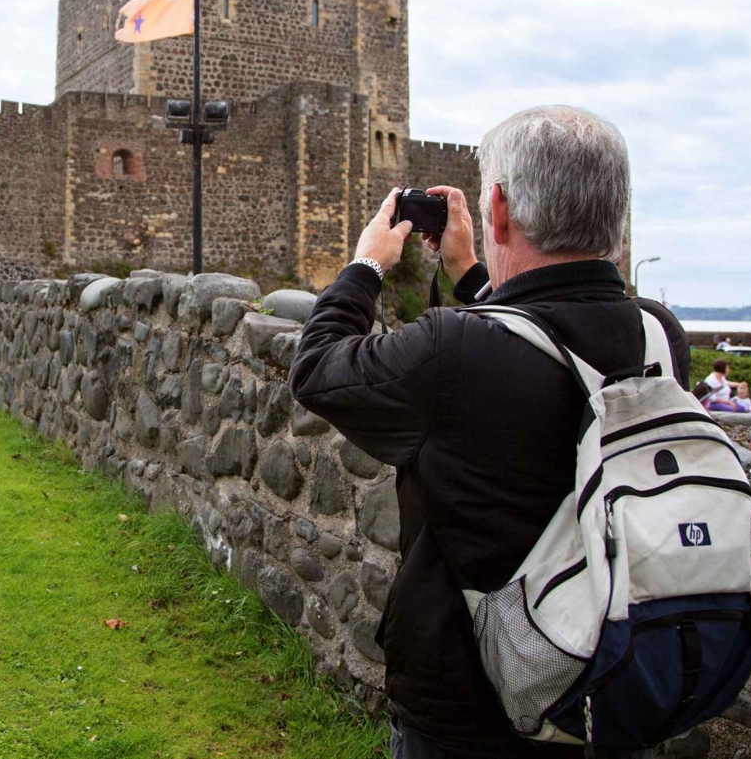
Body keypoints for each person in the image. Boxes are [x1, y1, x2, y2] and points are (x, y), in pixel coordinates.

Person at [291, 105, 688, 759]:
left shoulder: (452, 351)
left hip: (469, 709)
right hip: (604, 685)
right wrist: (475, 274)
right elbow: (546, 346)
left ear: (498, 208)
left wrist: (365, 266)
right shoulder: (657, 334)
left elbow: (318, 369)